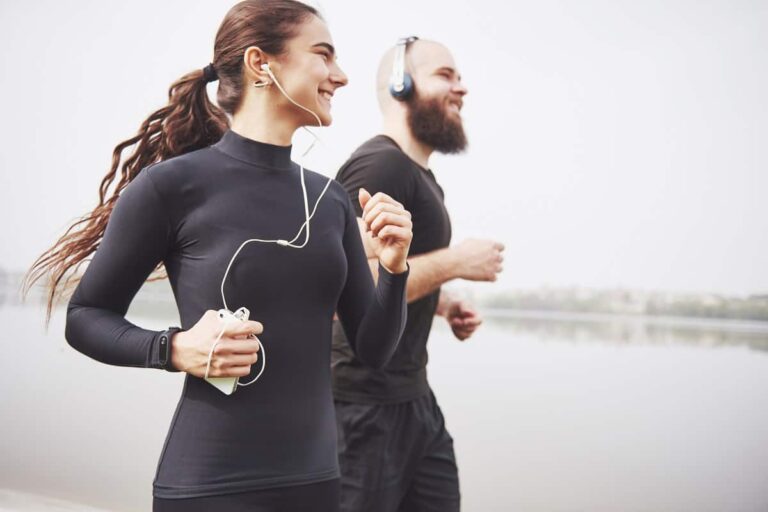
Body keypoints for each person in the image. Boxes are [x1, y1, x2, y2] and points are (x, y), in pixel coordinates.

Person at [23, 2, 414, 510]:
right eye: (324, 55)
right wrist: (174, 348)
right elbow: (85, 317)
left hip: (316, 481)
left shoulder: (331, 199)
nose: (340, 76)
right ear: (260, 63)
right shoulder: (172, 187)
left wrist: (395, 267)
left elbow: (374, 349)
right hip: (210, 484)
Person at [331, 37, 505, 511]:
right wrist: (455, 262)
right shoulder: (381, 163)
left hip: (413, 400)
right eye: (446, 75)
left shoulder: (420, 176)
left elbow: (394, 270)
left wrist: (444, 304)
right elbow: (340, 289)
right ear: (401, 85)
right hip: (360, 407)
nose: (462, 88)